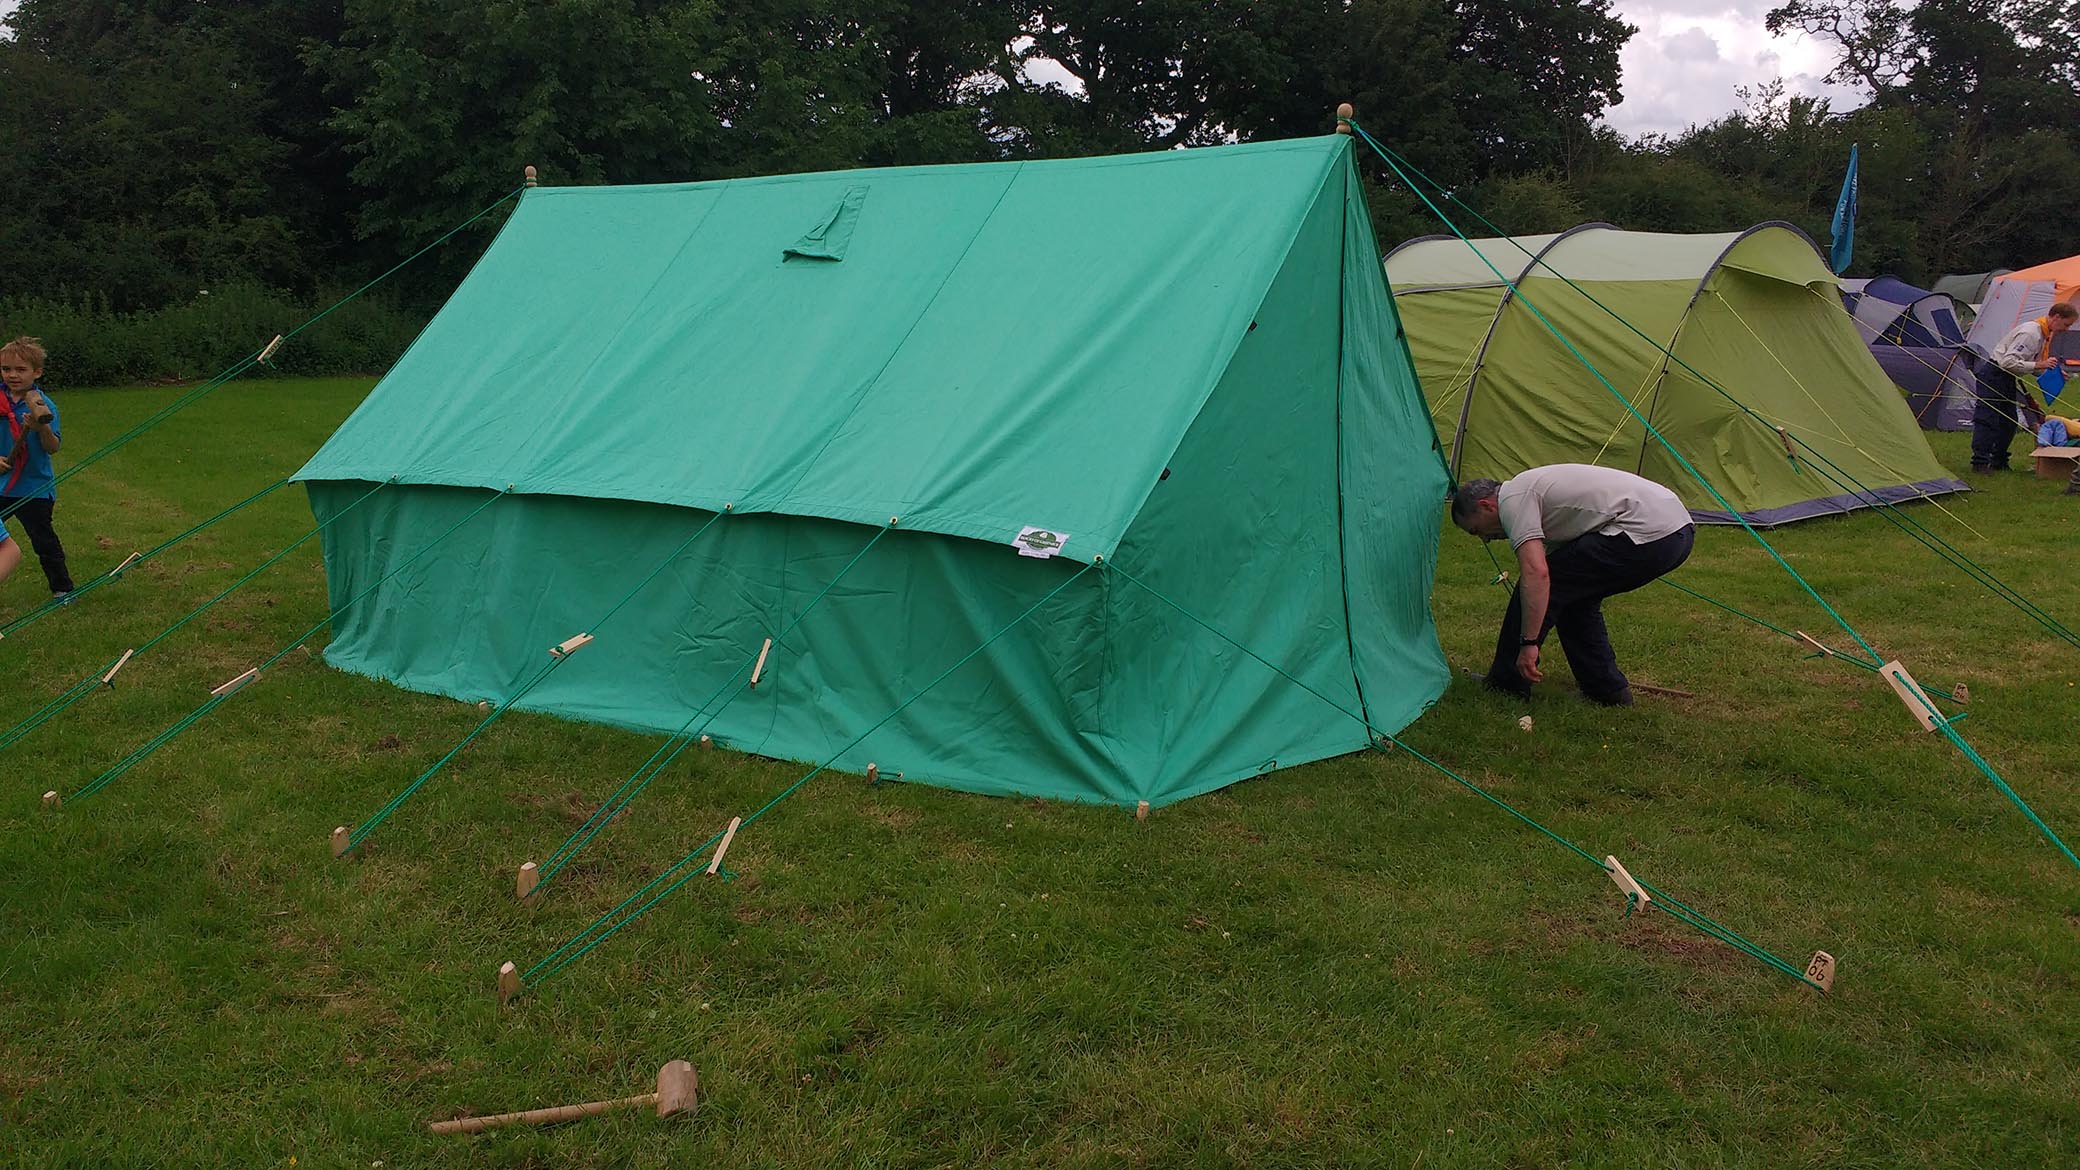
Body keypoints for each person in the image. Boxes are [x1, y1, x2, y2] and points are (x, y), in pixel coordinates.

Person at [1450, 464, 1696, 707]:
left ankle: (1506, 683)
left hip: (1649, 531)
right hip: (1677, 531)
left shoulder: (1513, 500)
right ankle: (1606, 692)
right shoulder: (1529, 488)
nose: (1485, 539)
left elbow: (1538, 573)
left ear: (1486, 506)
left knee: (1536, 588)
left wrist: (1528, 643)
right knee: (1574, 599)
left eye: (1476, 530)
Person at [0, 337, 73, 599]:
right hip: (1, 484)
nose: (12, 375)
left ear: (37, 372)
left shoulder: (44, 405)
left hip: (34, 487)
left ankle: (62, 589)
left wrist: (42, 427)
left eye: (21, 370)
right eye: (6, 369)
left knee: (43, 541)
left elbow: (52, 447)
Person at [1972, 301, 2076, 474]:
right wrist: (2039, 364)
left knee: (2008, 422)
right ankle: (1979, 462)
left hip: (2007, 377)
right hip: (1995, 375)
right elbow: (2007, 362)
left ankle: (1998, 461)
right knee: (1988, 419)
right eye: (2066, 324)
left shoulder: (2043, 334)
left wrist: (2051, 372)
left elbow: (2027, 364)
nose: (2066, 329)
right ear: (2056, 317)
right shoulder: (2030, 333)